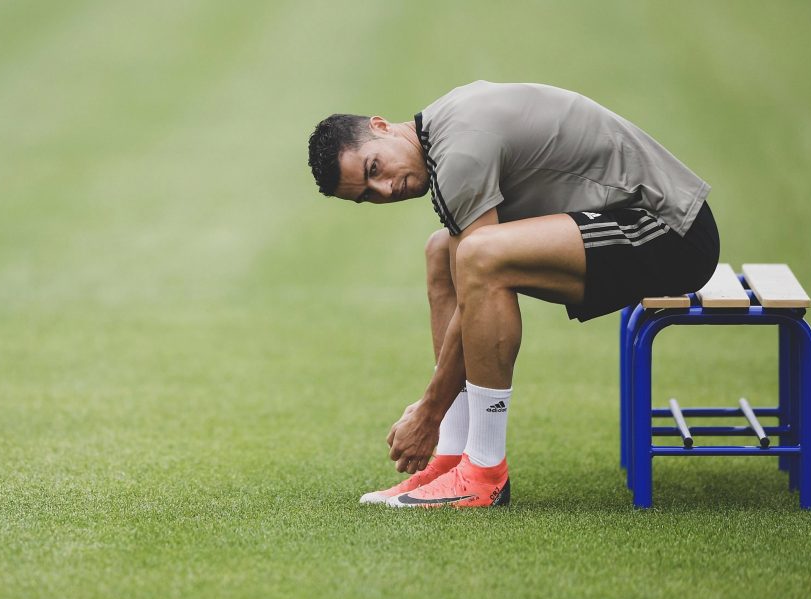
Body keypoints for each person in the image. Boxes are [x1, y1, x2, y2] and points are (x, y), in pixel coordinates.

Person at [306, 81, 719, 508]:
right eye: (367, 195)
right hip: (630, 221)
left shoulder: (458, 151)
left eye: (375, 170)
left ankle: (484, 472)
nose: (385, 190)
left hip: (671, 231)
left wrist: (428, 409)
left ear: (382, 126)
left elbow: (478, 274)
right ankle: (453, 456)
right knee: (442, 255)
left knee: (480, 257)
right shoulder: (442, 131)